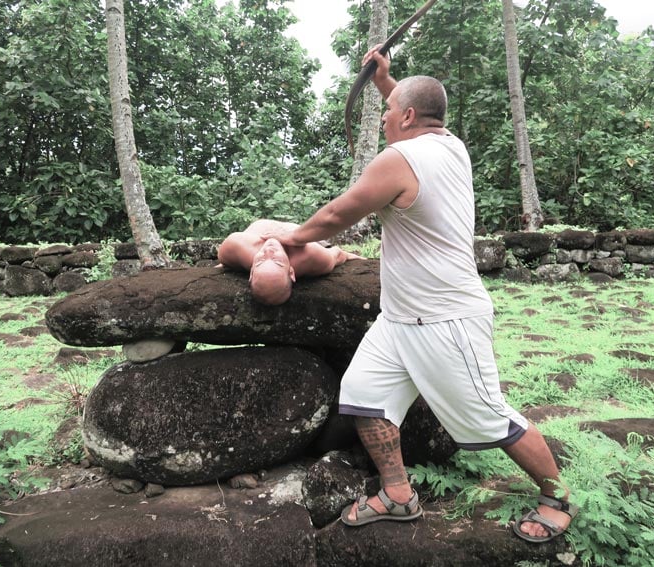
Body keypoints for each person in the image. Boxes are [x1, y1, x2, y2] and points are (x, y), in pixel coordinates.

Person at [260, 47, 577, 542]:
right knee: (364, 398)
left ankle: (557, 497)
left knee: (488, 417)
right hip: (400, 318)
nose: (384, 118)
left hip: (445, 317)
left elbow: (334, 219)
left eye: (388, 111)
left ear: (406, 118)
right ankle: (398, 495)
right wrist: (387, 81)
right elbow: (414, 111)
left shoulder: (398, 159)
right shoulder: (450, 145)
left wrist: (285, 239)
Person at [217, 219, 362, 305]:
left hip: (273, 229)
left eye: (261, 260)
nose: (269, 250)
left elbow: (226, 262)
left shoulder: (235, 246)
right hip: (298, 234)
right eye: (277, 261)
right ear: (291, 271)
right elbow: (336, 255)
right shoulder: (309, 255)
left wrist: (230, 264)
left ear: (251, 272)